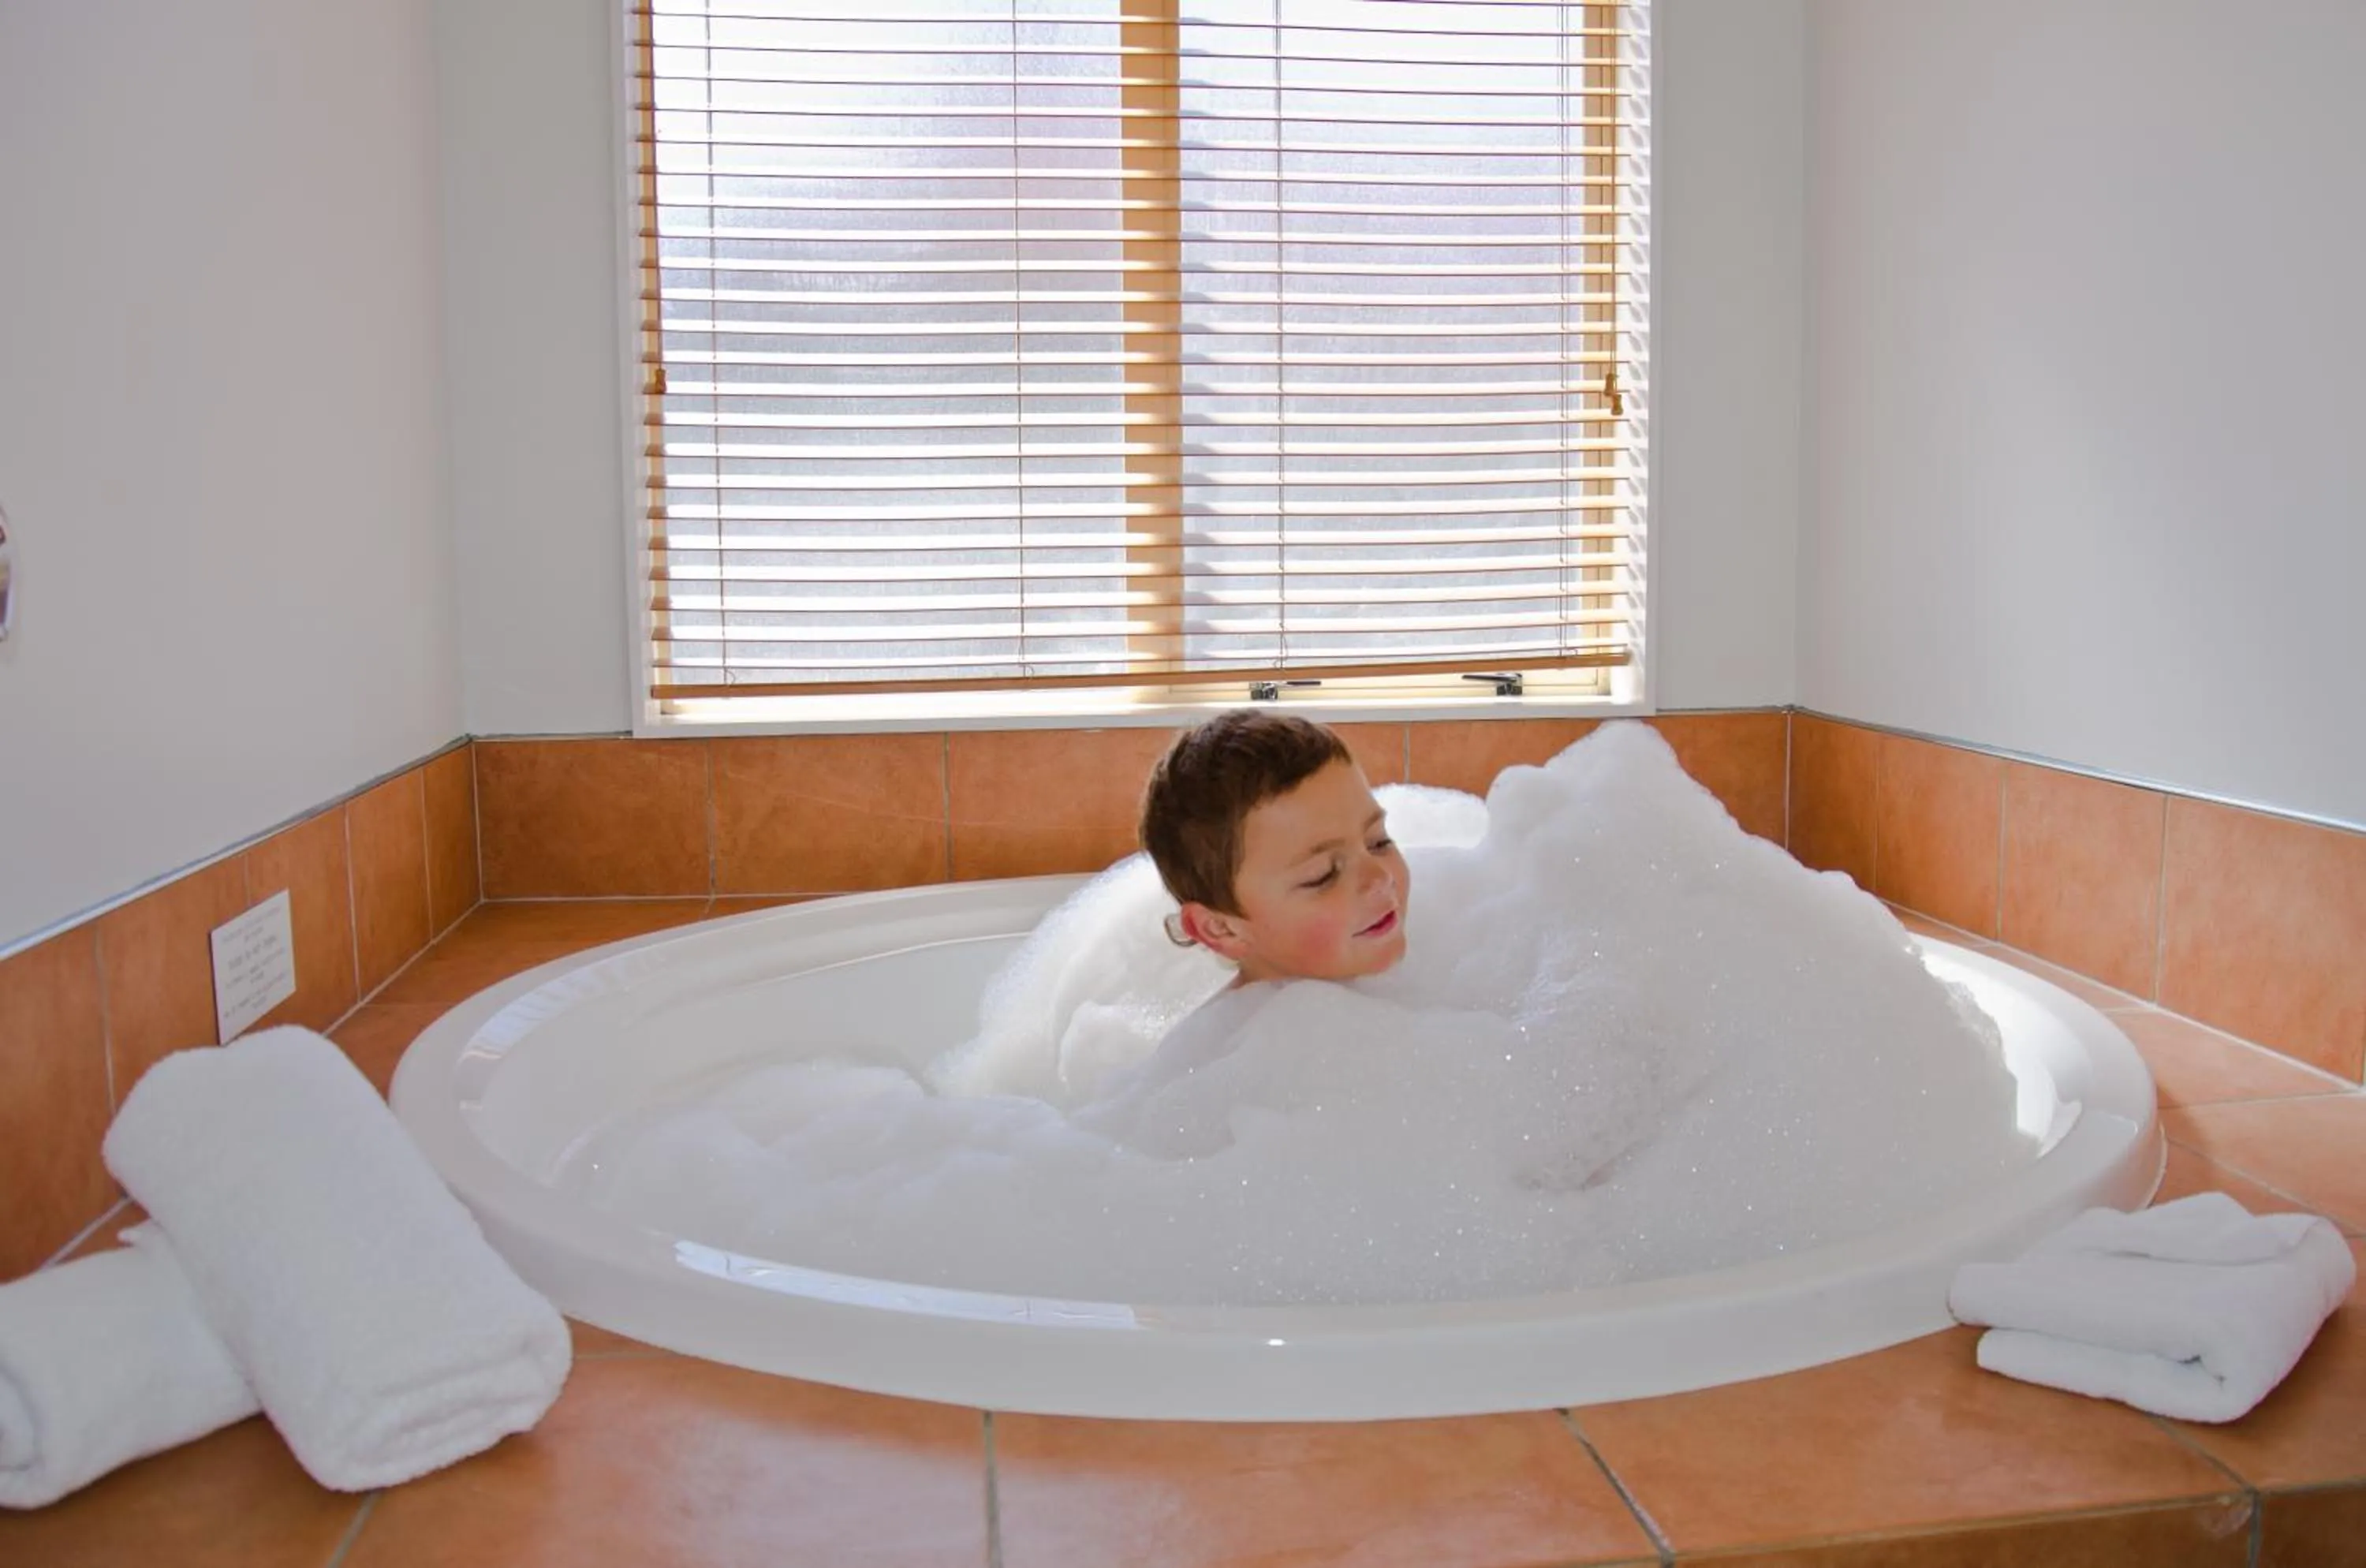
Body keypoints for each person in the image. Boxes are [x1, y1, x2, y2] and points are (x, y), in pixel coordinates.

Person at [1136, 710, 1410, 987]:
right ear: (1223, 929)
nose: (1380, 879)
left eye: (1378, 842)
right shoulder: (1247, 1030)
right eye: (1324, 875)